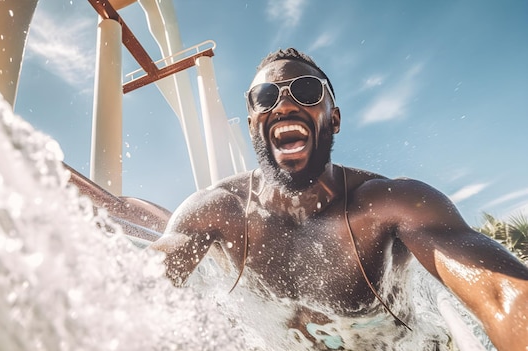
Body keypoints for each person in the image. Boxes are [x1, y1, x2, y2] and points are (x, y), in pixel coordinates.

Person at [149, 48, 528, 350]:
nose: (282, 105)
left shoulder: (386, 203)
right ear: (251, 125)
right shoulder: (216, 211)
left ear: (334, 118)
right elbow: (146, 287)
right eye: (264, 97)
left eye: (307, 91)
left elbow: (499, 292)